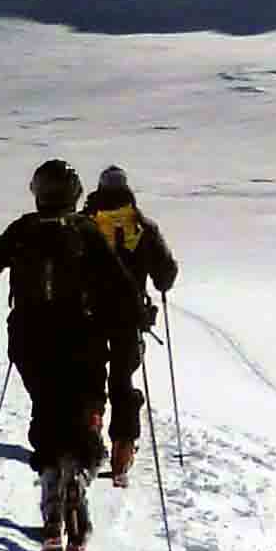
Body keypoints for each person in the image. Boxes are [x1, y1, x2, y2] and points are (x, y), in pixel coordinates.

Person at [0, 157, 136, 551]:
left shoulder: (23, 229)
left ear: (38, 192)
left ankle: (51, 508)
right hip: (82, 341)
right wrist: (138, 314)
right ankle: (76, 487)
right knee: (84, 415)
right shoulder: (85, 231)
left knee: (46, 416)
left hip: (30, 342)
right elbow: (121, 285)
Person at [82, 164, 181, 484]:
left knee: (91, 376)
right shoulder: (143, 227)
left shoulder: (85, 224)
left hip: (90, 314)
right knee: (122, 380)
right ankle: (122, 451)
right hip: (129, 316)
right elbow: (165, 275)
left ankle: (91, 430)